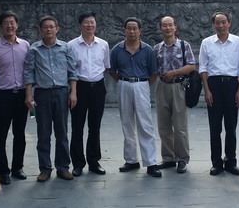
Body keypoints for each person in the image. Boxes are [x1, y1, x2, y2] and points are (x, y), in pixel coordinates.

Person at [24, 15, 78, 182]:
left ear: (57, 29)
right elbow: (29, 73)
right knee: (44, 133)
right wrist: (28, 95)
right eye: (45, 27)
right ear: (40, 30)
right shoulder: (34, 49)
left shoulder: (65, 47)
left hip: (61, 93)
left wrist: (73, 92)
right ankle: (45, 168)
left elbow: (72, 71)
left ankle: (63, 167)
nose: (48, 29)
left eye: (51, 26)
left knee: (62, 133)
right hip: (42, 94)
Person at [109, 17, 162, 178]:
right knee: (127, 123)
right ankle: (131, 160)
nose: (132, 31)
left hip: (142, 84)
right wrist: (124, 82)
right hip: (124, 84)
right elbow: (112, 71)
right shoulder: (117, 49)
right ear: (124, 30)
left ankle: (150, 162)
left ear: (140, 31)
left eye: (135, 28)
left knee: (145, 124)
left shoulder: (147, 50)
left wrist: (143, 85)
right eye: (129, 28)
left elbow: (154, 72)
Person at [199, 11, 239, 176]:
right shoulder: (207, 43)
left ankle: (231, 161)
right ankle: (216, 162)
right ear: (213, 25)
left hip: (232, 85)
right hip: (214, 85)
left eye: (223, 22)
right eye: (217, 23)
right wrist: (207, 90)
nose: (220, 25)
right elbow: (203, 68)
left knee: (231, 127)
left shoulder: (238, 42)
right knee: (215, 128)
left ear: (229, 23)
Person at [0, 10, 31, 185]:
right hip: (2, 95)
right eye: (5, 23)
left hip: (21, 95)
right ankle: (3, 171)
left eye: (12, 22)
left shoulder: (25, 45)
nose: (9, 26)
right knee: (1, 135)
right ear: (1, 26)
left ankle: (17, 167)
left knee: (20, 133)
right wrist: (0, 85)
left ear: (17, 25)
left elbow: (29, 70)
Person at [68, 12, 110, 177]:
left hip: (98, 87)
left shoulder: (103, 44)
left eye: (92, 22)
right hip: (79, 87)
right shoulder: (71, 45)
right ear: (80, 25)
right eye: (86, 22)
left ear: (96, 25)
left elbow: (105, 66)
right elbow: (70, 70)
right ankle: (78, 163)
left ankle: (94, 161)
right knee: (77, 126)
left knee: (95, 126)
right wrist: (73, 92)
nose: (89, 25)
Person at [153, 16, 196, 174]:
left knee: (180, 126)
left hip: (179, 87)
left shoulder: (184, 45)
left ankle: (182, 158)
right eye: (164, 25)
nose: (168, 28)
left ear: (175, 27)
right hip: (162, 87)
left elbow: (191, 66)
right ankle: (168, 158)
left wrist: (174, 73)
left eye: (170, 25)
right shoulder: (157, 48)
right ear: (160, 29)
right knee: (163, 125)